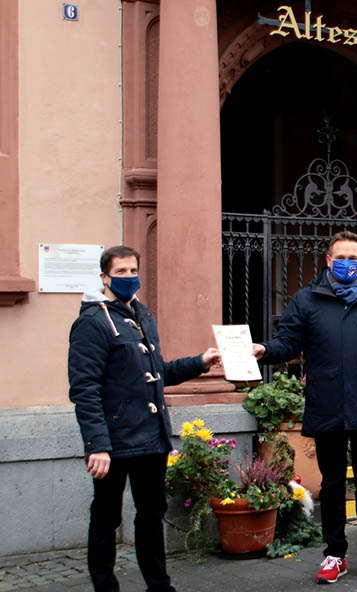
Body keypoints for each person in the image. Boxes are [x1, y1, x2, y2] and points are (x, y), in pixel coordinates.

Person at [251, 231, 357, 584]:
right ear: (328, 261)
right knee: (333, 484)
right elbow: (289, 342)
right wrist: (264, 350)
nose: (347, 263)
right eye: (340, 258)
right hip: (328, 405)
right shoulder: (307, 300)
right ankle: (335, 554)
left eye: (353, 258)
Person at [68, 246, 221, 592]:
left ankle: (159, 585)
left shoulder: (142, 316)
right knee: (106, 517)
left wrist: (200, 361)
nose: (128, 277)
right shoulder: (92, 323)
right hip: (114, 441)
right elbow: (84, 389)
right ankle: (105, 586)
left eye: (133, 270)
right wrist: (97, 444)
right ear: (104, 278)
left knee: (151, 516)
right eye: (120, 272)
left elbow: (157, 372)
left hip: (151, 438)